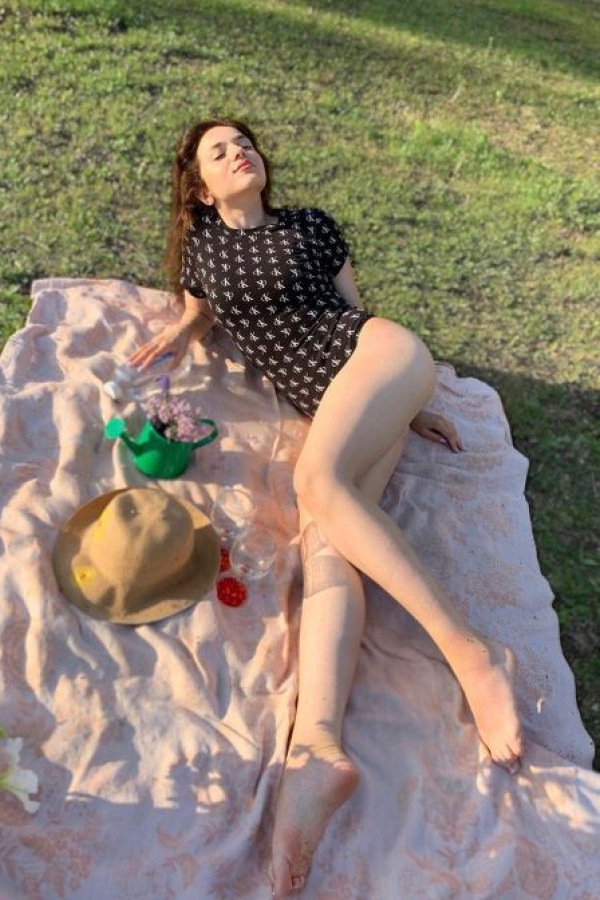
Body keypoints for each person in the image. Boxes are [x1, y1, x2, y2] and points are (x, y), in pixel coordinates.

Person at [129, 118, 524, 898]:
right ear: (199, 189)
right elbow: (200, 310)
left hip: (380, 357)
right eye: (219, 151)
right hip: (338, 410)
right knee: (324, 554)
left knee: (316, 483)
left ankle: (471, 654)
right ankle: (314, 751)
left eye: (244, 143)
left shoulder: (309, 225)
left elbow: (354, 312)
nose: (239, 152)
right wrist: (180, 330)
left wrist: (409, 404)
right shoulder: (204, 252)